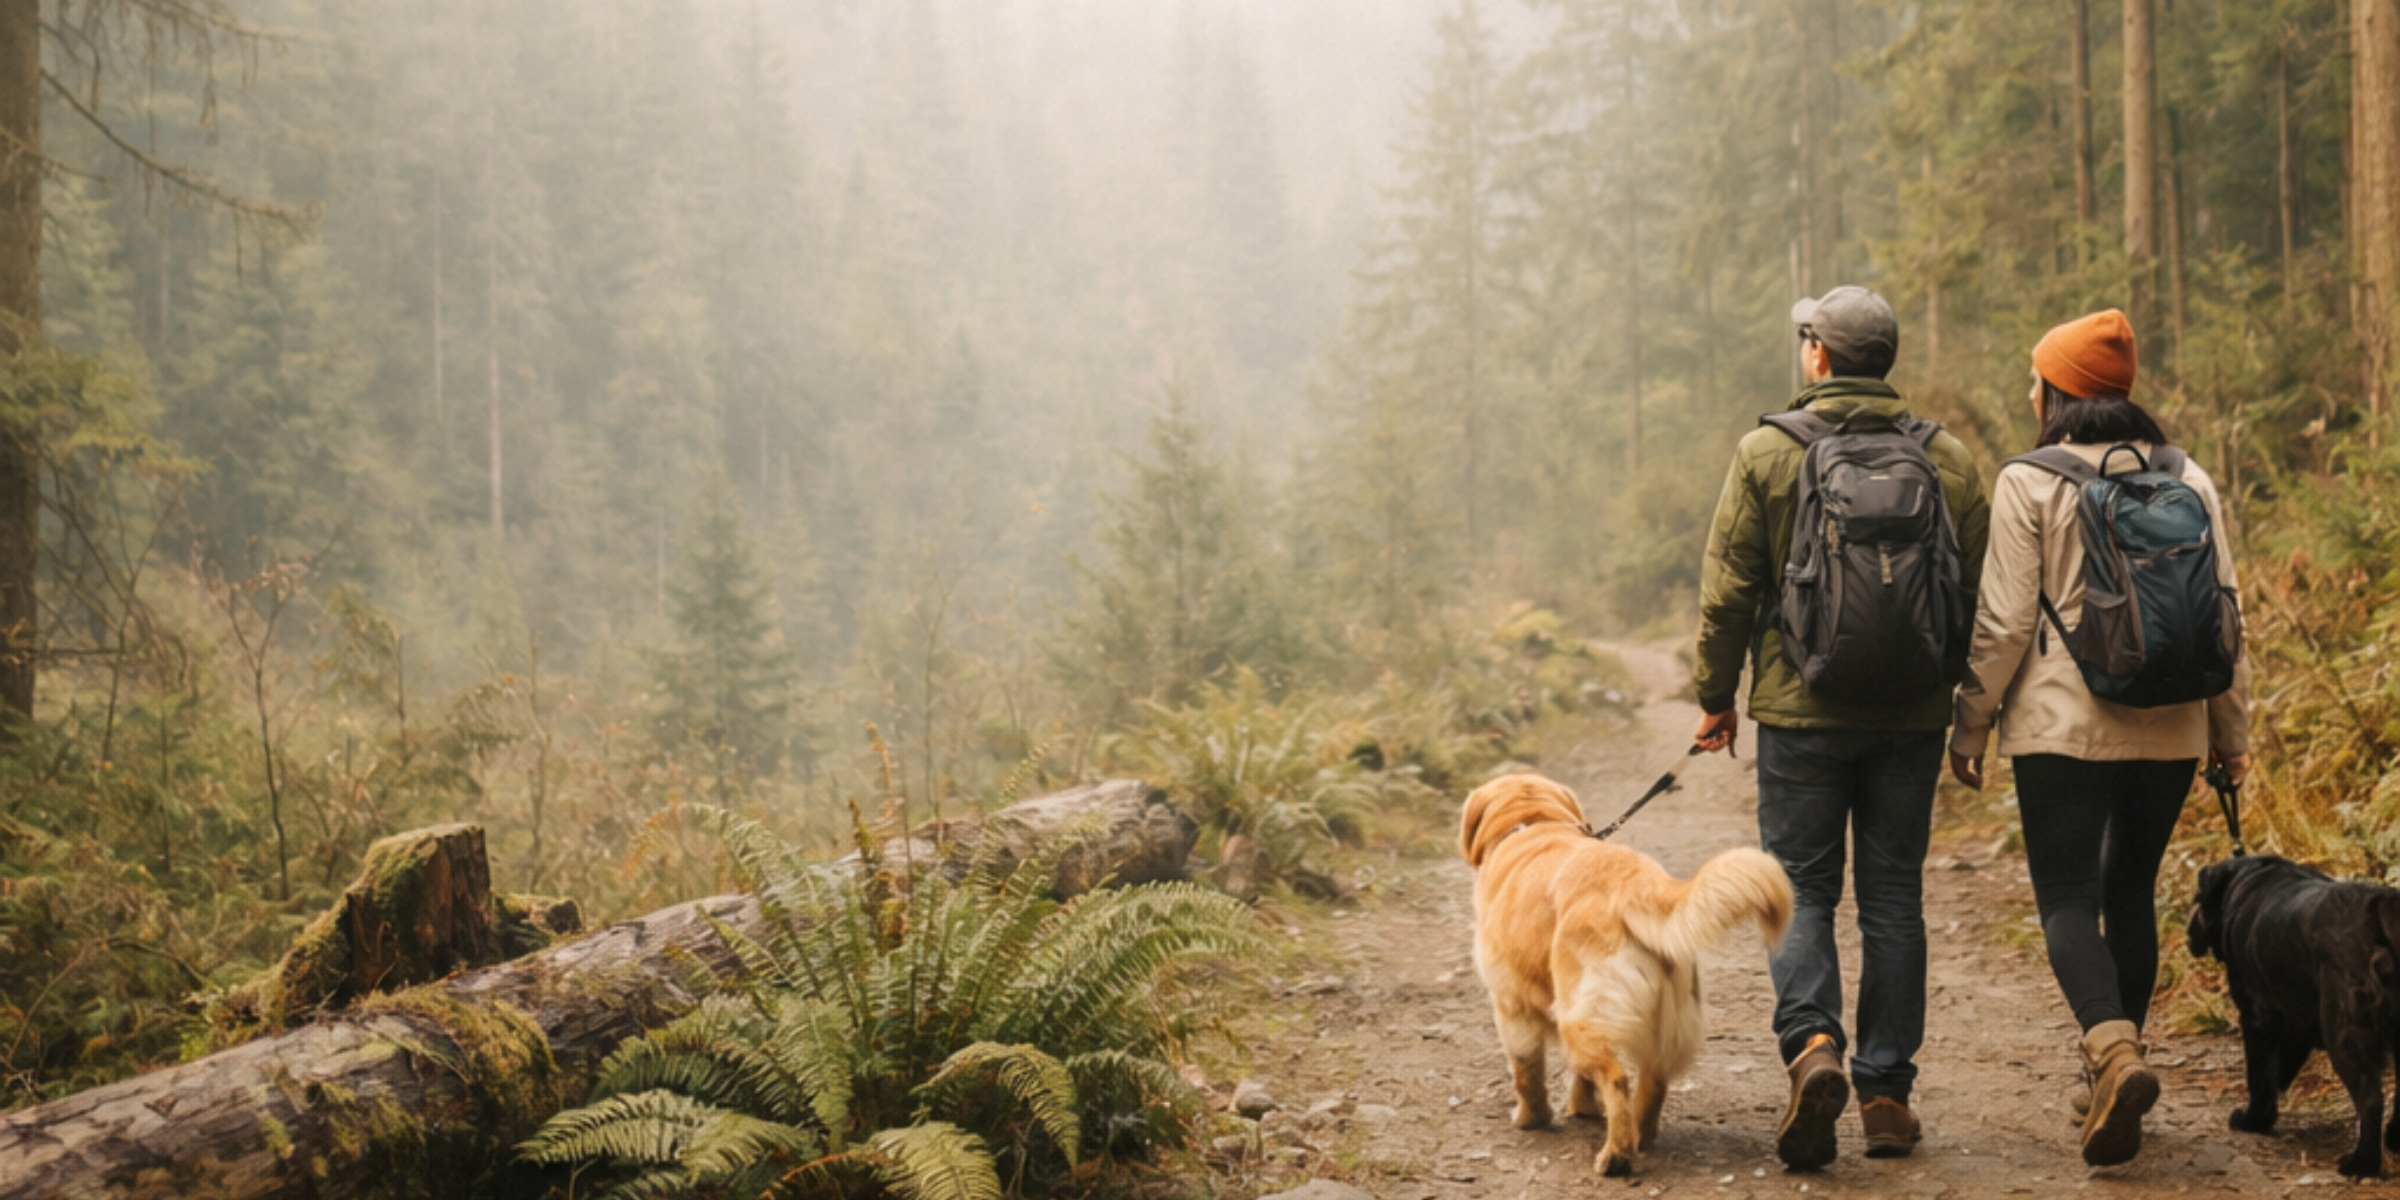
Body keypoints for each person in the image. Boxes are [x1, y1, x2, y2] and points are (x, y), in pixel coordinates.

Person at [1692, 286, 1990, 1169]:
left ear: (1819, 356)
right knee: (1894, 897)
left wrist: (1715, 697)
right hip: (1910, 717)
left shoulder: (1766, 452)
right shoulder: (1952, 459)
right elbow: (1975, 596)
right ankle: (1888, 1093)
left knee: (1804, 890)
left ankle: (1812, 1048)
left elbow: (1728, 591)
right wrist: (1958, 700)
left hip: (1799, 710)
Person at [1947, 309, 2251, 1167]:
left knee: (2067, 899)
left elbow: (2004, 623)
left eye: (2032, 378)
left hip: (2060, 729)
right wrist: (2232, 735)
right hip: (2173, 726)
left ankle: (2113, 1051)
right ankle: (2111, 1064)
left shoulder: (2030, 480)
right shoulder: (2187, 474)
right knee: (2132, 892)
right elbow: (2229, 617)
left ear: (2056, 391)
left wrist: (1970, 726)